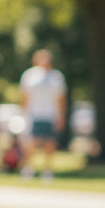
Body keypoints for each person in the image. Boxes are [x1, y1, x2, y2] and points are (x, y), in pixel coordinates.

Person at [19, 48, 67, 180]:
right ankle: (28, 168)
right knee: (31, 143)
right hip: (34, 114)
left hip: (50, 114)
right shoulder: (29, 76)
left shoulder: (56, 77)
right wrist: (23, 114)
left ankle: (47, 170)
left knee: (50, 143)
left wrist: (61, 116)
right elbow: (24, 97)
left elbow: (61, 99)